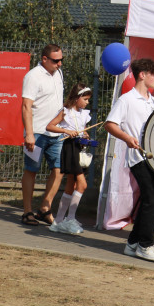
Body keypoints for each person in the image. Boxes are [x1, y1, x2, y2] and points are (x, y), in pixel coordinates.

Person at [105, 58, 154, 262]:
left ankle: (132, 243)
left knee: (153, 201)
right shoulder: (127, 100)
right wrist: (127, 138)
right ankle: (145, 245)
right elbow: (110, 124)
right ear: (143, 75)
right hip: (137, 157)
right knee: (151, 200)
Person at [20, 44, 66, 226]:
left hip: (55, 132)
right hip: (37, 132)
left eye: (61, 59)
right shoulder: (33, 76)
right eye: (56, 60)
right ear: (45, 59)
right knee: (31, 170)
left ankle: (45, 208)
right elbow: (26, 106)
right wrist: (29, 134)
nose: (60, 64)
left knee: (59, 169)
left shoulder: (58, 73)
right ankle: (27, 212)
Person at [45, 83, 93, 235]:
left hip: (78, 147)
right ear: (77, 97)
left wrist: (85, 134)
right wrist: (65, 130)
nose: (87, 102)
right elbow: (50, 126)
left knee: (71, 184)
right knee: (82, 184)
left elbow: (82, 129)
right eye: (85, 99)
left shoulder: (83, 114)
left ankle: (58, 221)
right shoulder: (65, 111)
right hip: (69, 147)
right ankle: (70, 218)